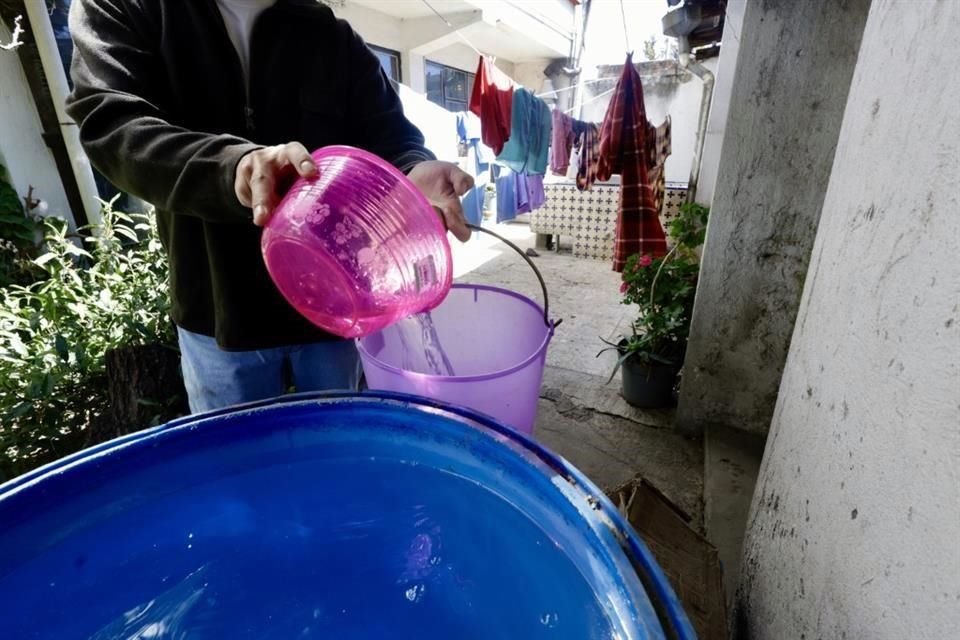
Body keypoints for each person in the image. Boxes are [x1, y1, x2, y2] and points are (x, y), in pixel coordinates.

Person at [66, 0, 474, 413]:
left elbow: (392, 134)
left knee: (336, 450)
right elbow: (111, 124)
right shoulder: (129, 9)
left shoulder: (330, 35)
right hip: (218, 312)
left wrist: (411, 168)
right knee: (237, 461)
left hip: (337, 302)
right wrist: (232, 168)